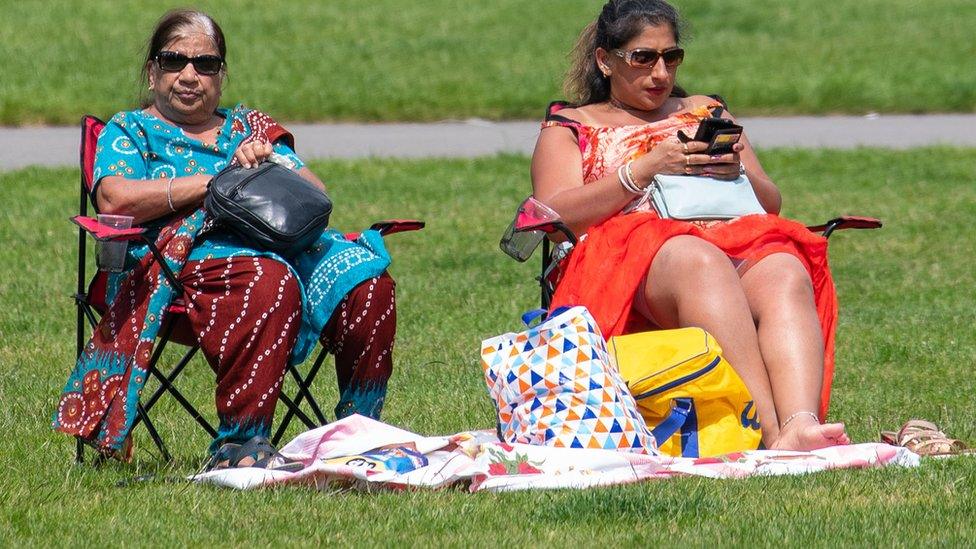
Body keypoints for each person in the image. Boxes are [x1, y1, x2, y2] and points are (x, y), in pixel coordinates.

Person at [52, 9, 397, 467]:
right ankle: (241, 445)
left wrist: (267, 165)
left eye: (206, 64)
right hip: (179, 266)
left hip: (281, 247)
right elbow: (114, 199)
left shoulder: (249, 127)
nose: (190, 75)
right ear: (153, 73)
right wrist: (217, 179)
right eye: (175, 61)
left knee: (368, 281)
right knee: (268, 280)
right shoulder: (130, 130)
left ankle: (359, 434)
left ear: (222, 74)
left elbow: (315, 196)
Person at [531, 0, 850, 451]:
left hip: (726, 238)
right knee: (698, 260)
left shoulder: (705, 110)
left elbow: (770, 205)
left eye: (671, 57)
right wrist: (641, 170)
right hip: (625, 259)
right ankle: (769, 433)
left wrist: (736, 169)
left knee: (783, 268)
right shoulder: (571, 126)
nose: (660, 73)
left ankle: (801, 422)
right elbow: (551, 214)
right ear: (605, 60)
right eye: (643, 58)